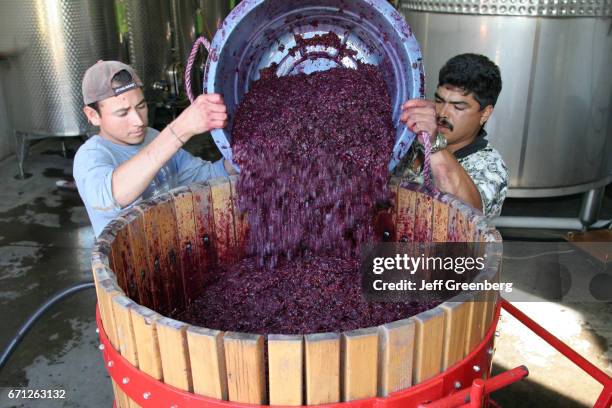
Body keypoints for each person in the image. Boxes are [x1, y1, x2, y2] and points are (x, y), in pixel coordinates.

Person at [74, 60, 237, 236]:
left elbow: (206, 176)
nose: (138, 121)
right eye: (122, 113)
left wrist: (241, 158)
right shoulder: (90, 156)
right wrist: (180, 129)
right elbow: (111, 196)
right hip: (130, 259)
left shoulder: (152, 136)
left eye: (141, 106)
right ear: (93, 115)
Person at [396, 53, 509, 218]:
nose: (442, 113)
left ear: (485, 113)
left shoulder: (491, 168)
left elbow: (465, 215)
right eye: (439, 101)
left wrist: (434, 142)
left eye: (458, 107)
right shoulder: (411, 138)